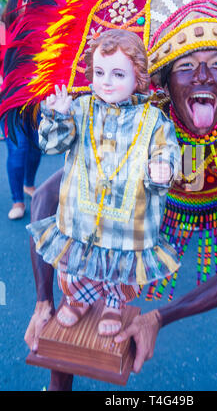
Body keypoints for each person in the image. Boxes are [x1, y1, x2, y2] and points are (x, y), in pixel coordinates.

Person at [1, 0, 217, 392]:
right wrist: (41, 301)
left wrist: (160, 317)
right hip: (148, 211)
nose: (202, 77)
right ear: (161, 81)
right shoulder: (139, 120)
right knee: (71, 291)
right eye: (186, 67)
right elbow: (47, 198)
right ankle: (58, 381)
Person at [27, 29, 181, 336]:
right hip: (79, 218)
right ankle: (76, 301)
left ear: (138, 76)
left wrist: (164, 166)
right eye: (99, 72)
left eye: (117, 73)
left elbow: (169, 150)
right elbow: (54, 144)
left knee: (121, 275)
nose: (106, 81)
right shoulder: (80, 109)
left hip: (129, 224)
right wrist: (57, 117)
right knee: (72, 268)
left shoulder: (155, 120)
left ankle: (114, 305)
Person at [1, 0, 41, 219]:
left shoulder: (39, 27)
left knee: (36, 146)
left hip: (34, 100)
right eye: (23, 0)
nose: (27, 6)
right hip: (8, 100)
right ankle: (18, 201)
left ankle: (28, 184)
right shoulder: (2, 29)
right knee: (18, 149)